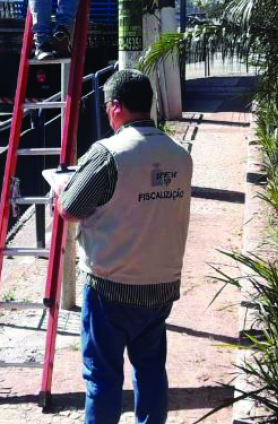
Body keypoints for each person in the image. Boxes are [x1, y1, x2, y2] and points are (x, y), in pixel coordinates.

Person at [54, 69, 194, 424]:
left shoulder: (108, 155)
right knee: (150, 371)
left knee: (102, 376)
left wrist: (60, 191)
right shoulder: (179, 155)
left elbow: (70, 209)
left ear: (115, 107)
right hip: (161, 286)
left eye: (106, 107)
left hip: (111, 288)